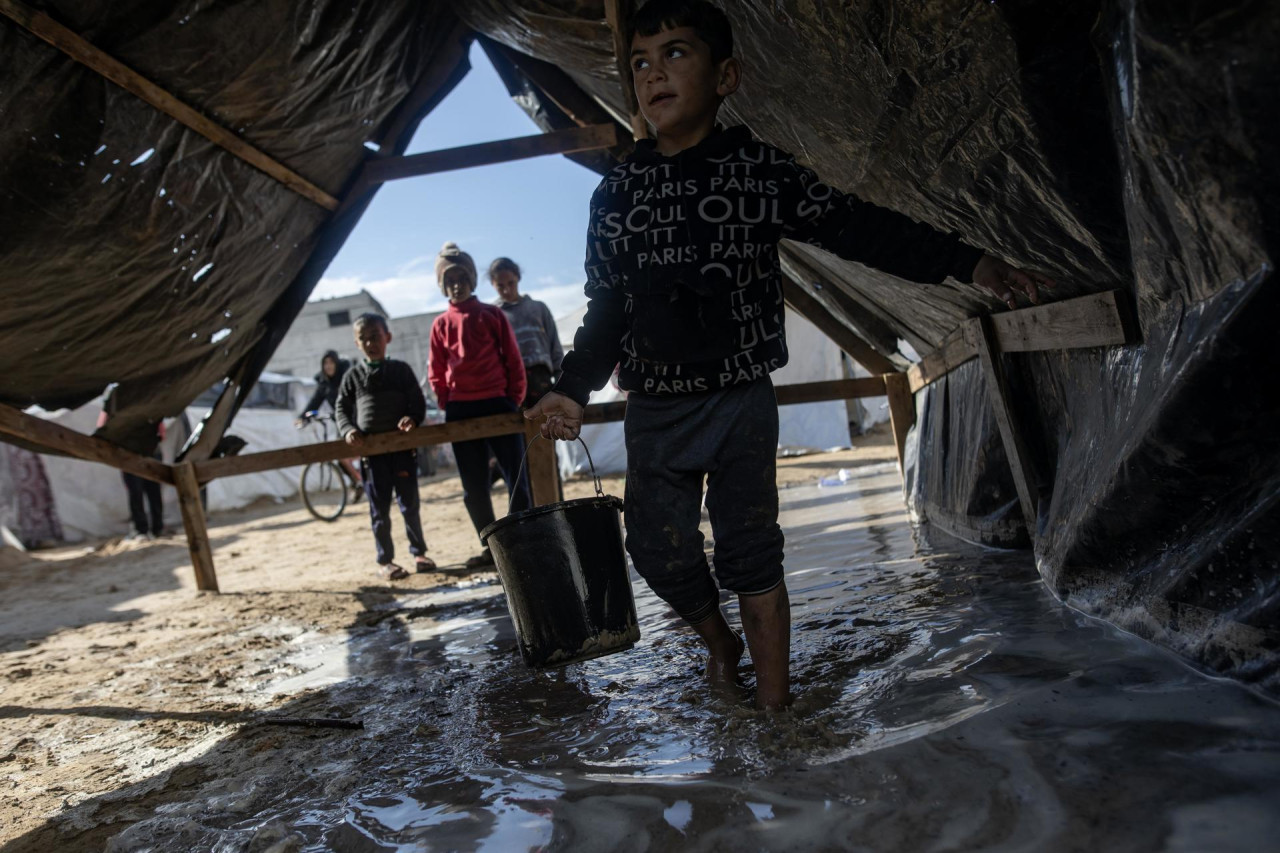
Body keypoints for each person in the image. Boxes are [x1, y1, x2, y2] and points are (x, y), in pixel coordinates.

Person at [526, 0, 1055, 710]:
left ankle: (776, 714)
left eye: (676, 53)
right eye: (640, 63)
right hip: (655, 406)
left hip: (740, 396)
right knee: (656, 547)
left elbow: (857, 226)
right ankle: (720, 644)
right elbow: (608, 308)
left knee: (751, 551)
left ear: (727, 76)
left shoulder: (756, 171)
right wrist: (573, 387)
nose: (653, 74)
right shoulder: (618, 192)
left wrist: (972, 263)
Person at [428, 242, 531, 568]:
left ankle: (522, 538)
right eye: (449, 279)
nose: (456, 284)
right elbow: (435, 369)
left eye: (461, 276)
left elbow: (513, 360)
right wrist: (446, 400)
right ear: (442, 285)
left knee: (517, 476)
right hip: (460, 409)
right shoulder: (440, 324)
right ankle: (491, 548)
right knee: (474, 486)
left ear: (472, 279)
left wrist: (513, 398)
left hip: (498, 403)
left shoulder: (492, 314)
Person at [335, 313, 436, 581]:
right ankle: (386, 561)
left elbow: (417, 401)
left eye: (375, 336)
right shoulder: (353, 376)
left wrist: (412, 419)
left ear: (387, 337)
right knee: (378, 509)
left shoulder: (401, 370)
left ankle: (419, 553)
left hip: (402, 452)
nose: (370, 343)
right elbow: (341, 409)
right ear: (357, 344)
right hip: (372, 456)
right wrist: (349, 430)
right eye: (364, 339)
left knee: (409, 504)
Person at [489, 257, 564, 408]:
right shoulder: (493, 315)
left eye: (511, 283)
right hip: (510, 384)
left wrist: (561, 382)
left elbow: (555, 347)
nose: (507, 290)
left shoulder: (538, 309)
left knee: (546, 428)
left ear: (518, 277)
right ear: (493, 284)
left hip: (541, 379)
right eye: (500, 286)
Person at [97, 389, 165, 541]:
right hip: (143, 452)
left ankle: (147, 529)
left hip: (134, 453)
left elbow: (103, 426)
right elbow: (162, 433)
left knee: (140, 492)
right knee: (145, 491)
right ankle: (152, 528)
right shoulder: (149, 399)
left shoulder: (117, 401)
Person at [295, 350, 363, 501]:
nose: (328, 366)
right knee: (338, 455)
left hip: (357, 419)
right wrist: (303, 418)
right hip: (341, 422)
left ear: (337, 364)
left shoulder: (347, 376)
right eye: (325, 363)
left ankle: (369, 478)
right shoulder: (324, 383)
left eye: (331, 362)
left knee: (363, 450)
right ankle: (357, 482)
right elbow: (315, 402)